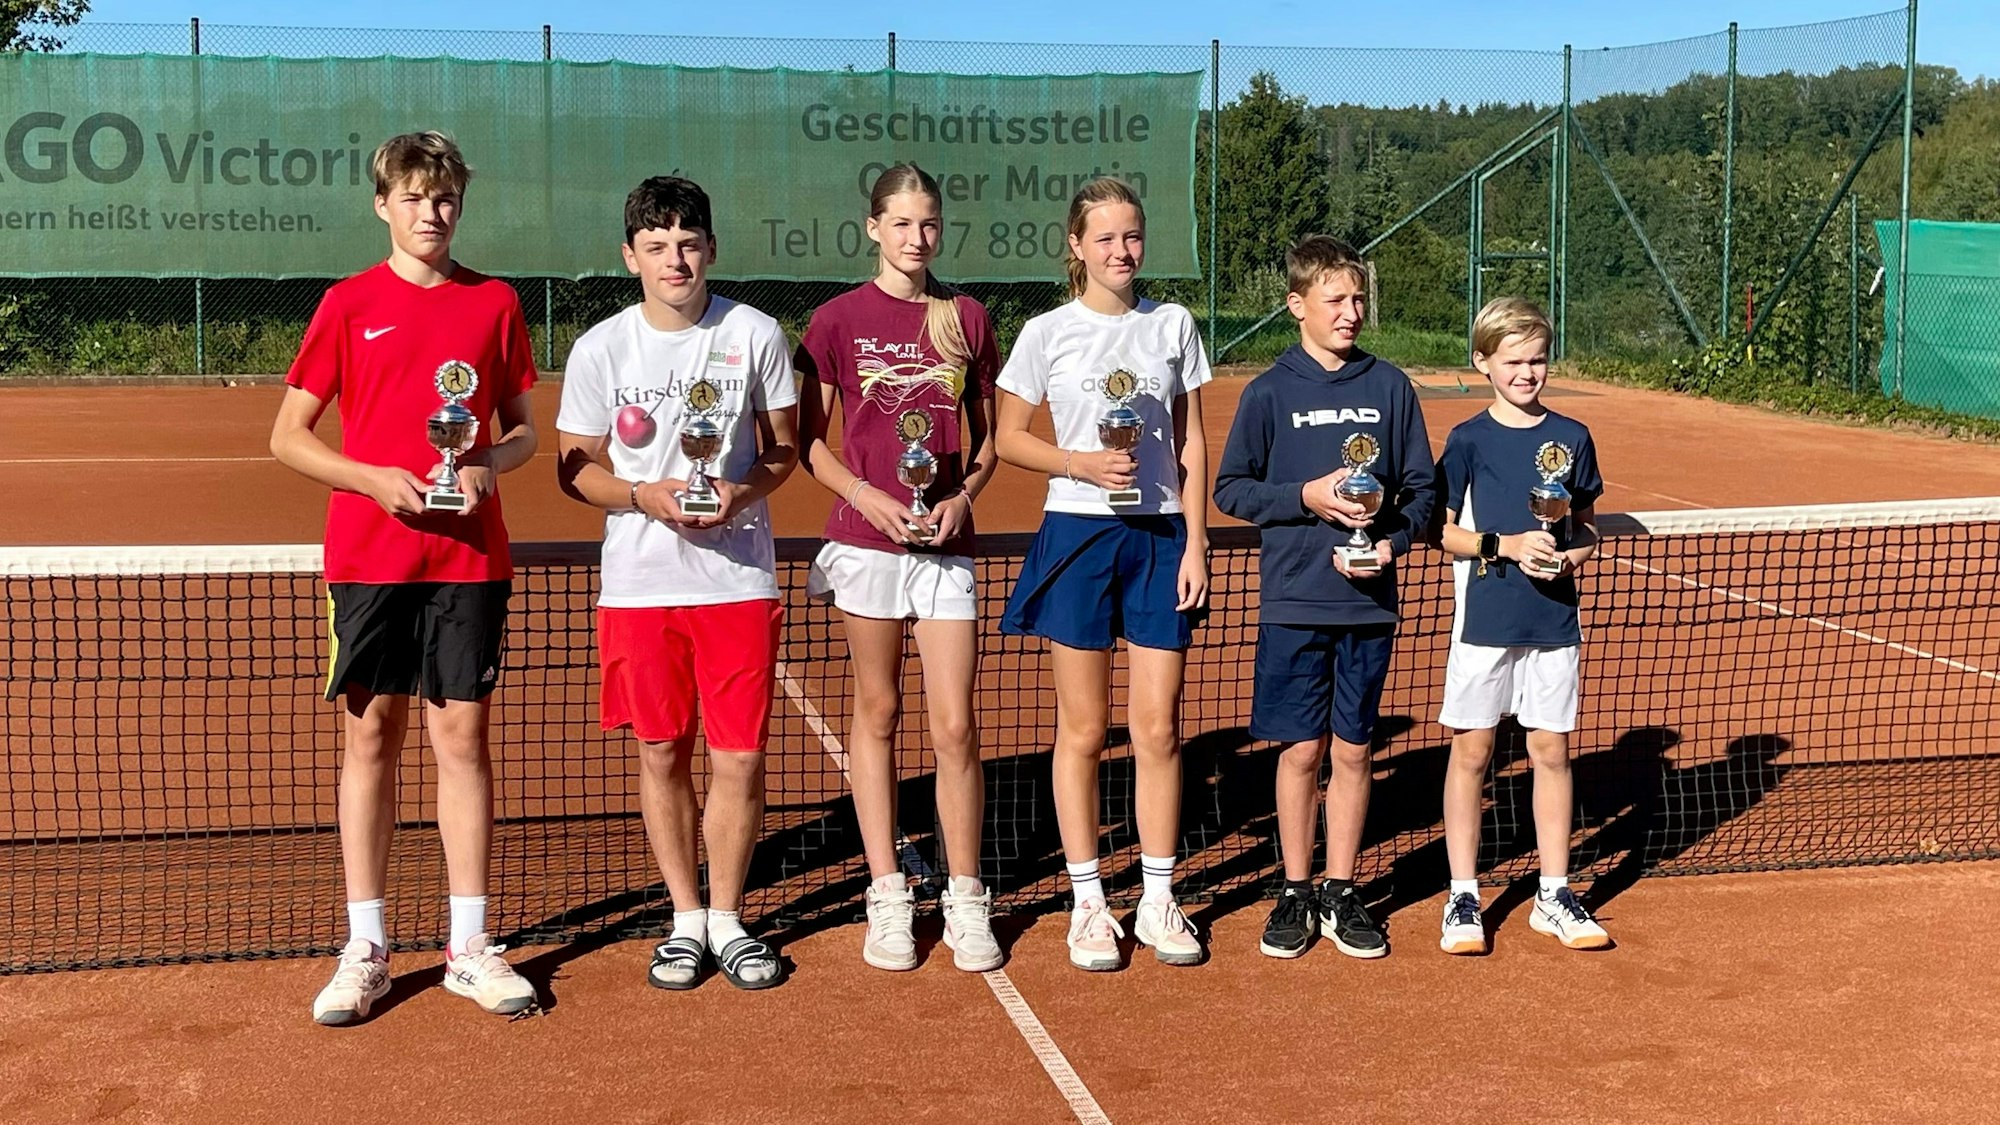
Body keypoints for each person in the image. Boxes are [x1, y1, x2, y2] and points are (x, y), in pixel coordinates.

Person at [271, 131, 540, 1024]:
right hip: (369, 560)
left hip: (468, 560)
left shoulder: (495, 302)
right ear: (383, 203)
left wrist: (488, 465)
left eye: (447, 197)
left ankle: (469, 943)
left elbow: (522, 431)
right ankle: (368, 946)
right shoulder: (348, 304)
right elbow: (289, 435)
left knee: (462, 743)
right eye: (416, 197)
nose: (433, 213)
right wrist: (374, 477)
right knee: (371, 740)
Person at [553, 176, 799, 989]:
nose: (675, 259)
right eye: (656, 246)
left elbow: (783, 449)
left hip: (737, 581)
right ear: (631, 256)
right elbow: (573, 467)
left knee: (740, 756)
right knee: (661, 750)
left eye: (688, 243)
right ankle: (685, 917)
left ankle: (728, 919)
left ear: (711, 249)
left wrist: (740, 490)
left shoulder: (756, 333)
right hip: (639, 584)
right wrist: (642, 495)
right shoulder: (600, 348)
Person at [995, 176, 1211, 971]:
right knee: (1083, 729)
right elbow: (1009, 437)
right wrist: (1079, 462)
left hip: (1158, 539)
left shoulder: (1173, 325)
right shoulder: (1046, 332)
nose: (1123, 251)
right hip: (1079, 536)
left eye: (1133, 236)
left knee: (1158, 726)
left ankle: (1158, 895)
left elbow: (1190, 444)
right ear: (1077, 247)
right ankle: (1088, 901)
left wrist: (1196, 541)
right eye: (1107, 238)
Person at [795, 164, 1003, 972]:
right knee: (876, 711)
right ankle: (886, 891)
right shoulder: (838, 321)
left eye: (929, 223)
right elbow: (810, 440)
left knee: (955, 722)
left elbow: (985, 438)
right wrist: (866, 497)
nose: (917, 238)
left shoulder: (967, 318)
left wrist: (965, 496)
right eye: (902, 223)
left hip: (945, 545)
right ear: (873, 227)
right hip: (866, 541)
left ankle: (966, 892)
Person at [1214, 234, 1435, 961]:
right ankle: (1297, 886)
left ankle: (1343, 888)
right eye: (1336, 299)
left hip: (1367, 605)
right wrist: (1304, 496)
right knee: (1300, 748)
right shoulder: (1269, 391)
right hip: (1292, 601)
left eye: (1359, 297)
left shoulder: (1391, 387)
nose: (1352, 311)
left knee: (1355, 747)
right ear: (1297, 305)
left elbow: (1422, 494)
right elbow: (1232, 489)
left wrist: (1392, 545)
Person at [1434, 296, 1609, 955]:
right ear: (1483, 362)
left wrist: (1571, 555)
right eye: (1513, 360)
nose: (1527, 372)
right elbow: (1441, 531)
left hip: (1554, 621)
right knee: (1474, 751)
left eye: (1537, 359)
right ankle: (1462, 895)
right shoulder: (1469, 440)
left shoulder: (1573, 436)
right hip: (1487, 619)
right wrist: (1503, 546)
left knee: (1551, 752)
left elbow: (1588, 524)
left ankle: (1554, 891)